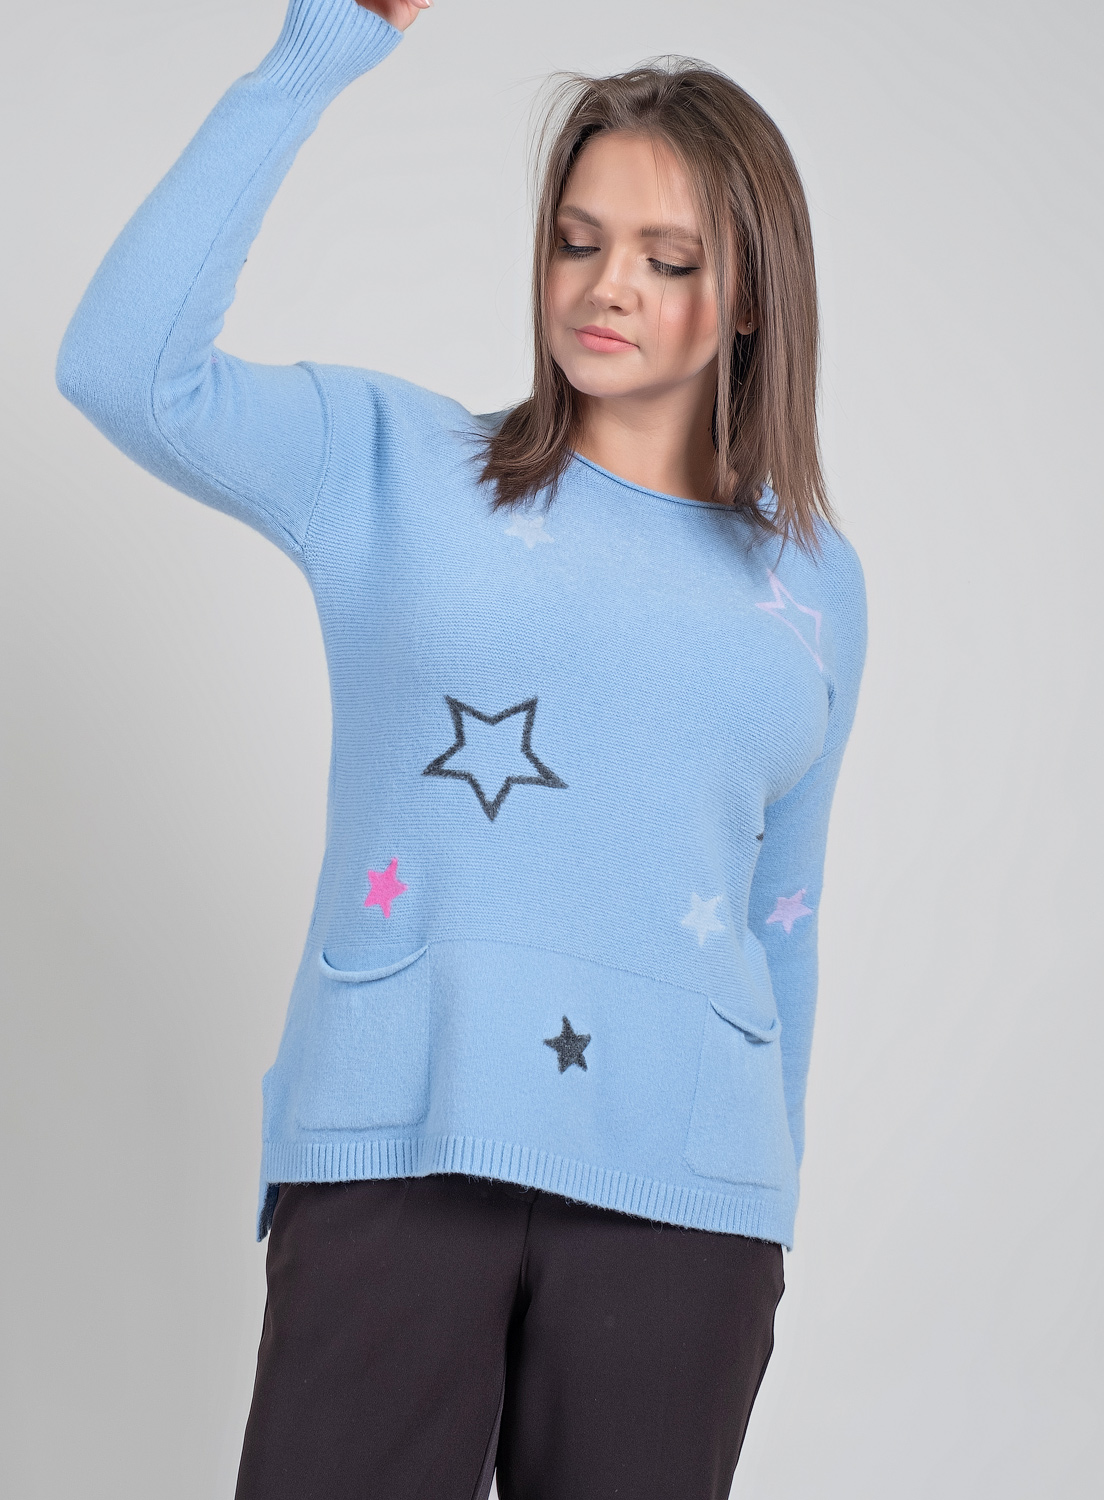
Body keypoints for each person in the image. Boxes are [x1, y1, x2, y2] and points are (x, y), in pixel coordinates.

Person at [56, 1, 867, 1495]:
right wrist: (318, 51)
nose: (606, 286)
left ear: (752, 294)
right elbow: (123, 369)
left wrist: (770, 1201)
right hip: (397, 1145)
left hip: (684, 1206)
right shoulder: (394, 466)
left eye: (668, 258)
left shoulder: (812, 582)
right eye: (578, 240)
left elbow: (781, 914)